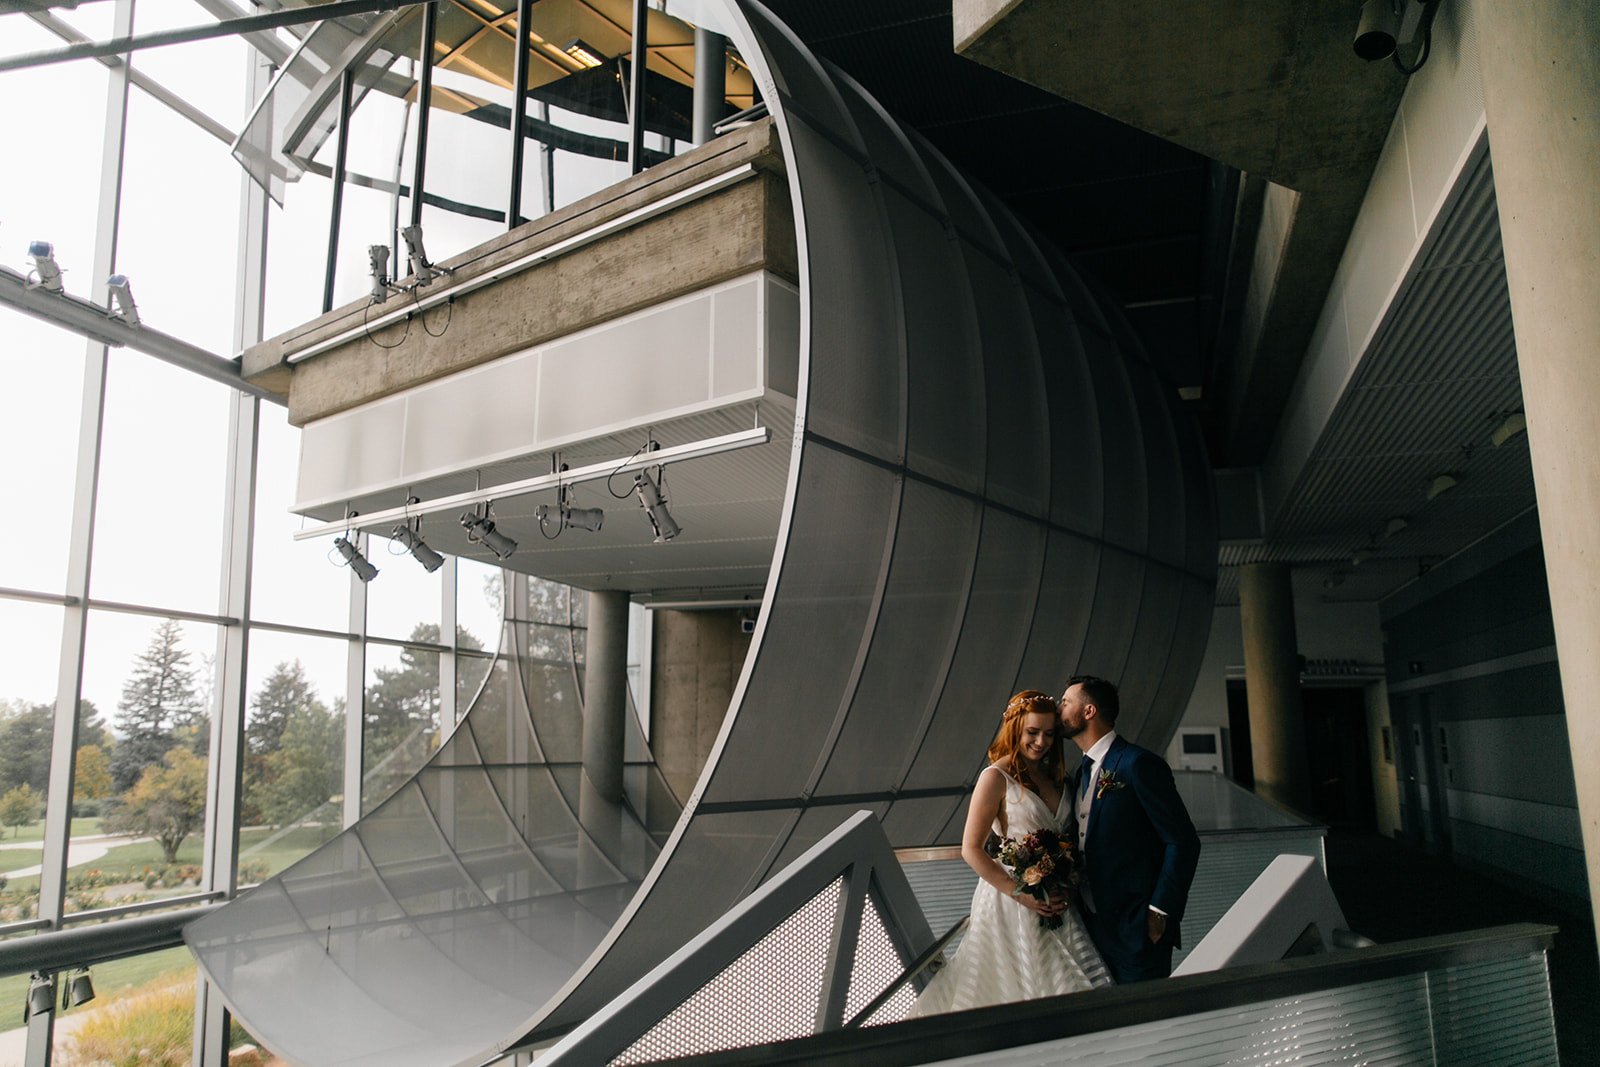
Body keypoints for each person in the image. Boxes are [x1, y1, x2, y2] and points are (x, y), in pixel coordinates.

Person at [911, 691, 1112, 1016]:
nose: (1041, 741)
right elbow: (971, 849)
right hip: (1009, 905)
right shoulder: (994, 778)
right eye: (1032, 732)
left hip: (1057, 903)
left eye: (1049, 734)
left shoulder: (1058, 779)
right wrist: (1022, 894)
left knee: (1075, 990)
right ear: (1015, 729)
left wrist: (1066, 882)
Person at [1059, 675, 1200, 983]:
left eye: (1066, 702)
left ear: (1089, 711)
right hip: (1092, 928)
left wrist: (1159, 911)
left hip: (1137, 927)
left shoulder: (1138, 764)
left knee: (1146, 1022)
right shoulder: (1078, 772)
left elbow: (1183, 841)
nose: (1059, 709)